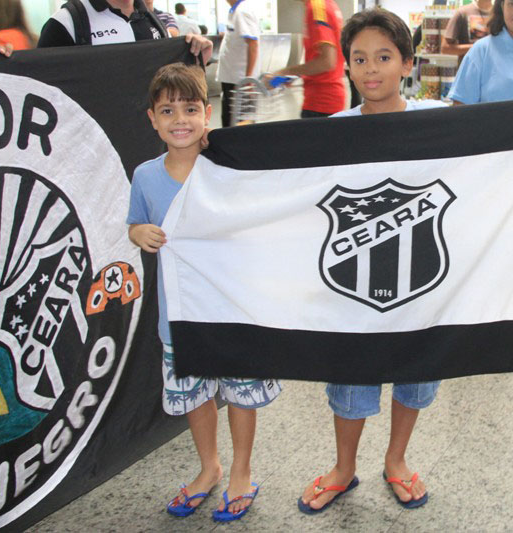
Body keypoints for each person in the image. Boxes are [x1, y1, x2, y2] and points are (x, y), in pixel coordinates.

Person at [298, 8, 445, 514]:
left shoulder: (438, 123)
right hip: (352, 286)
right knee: (350, 374)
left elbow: (502, 141)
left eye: (384, 57)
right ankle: (343, 467)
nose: (371, 69)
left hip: (420, 281)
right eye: (359, 58)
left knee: (416, 368)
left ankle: (397, 460)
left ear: (407, 62)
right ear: (346, 67)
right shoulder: (333, 131)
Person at [128, 63, 282, 520]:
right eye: (168, 110)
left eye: (190, 108)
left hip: (232, 309)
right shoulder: (145, 176)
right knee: (195, 396)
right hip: (179, 315)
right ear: (152, 119)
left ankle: (241, 470)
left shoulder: (227, 169)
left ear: (208, 114)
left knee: (239, 392)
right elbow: (134, 221)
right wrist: (139, 234)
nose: (180, 119)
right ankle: (209, 466)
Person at [37, 0, 212, 61]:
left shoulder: (152, 20)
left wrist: (194, 55)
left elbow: (167, 80)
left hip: (148, 135)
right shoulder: (67, 21)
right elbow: (40, 82)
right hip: (92, 139)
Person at [269, 0, 345, 117]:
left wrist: (286, 72)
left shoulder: (317, 8)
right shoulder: (326, 4)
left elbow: (327, 62)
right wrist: (295, 75)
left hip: (321, 103)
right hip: (324, 101)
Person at [216, 0, 260, 127]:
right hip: (233, 79)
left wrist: (248, 79)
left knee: (240, 125)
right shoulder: (236, 10)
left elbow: (253, 44)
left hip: (239, 82)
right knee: (231, 122)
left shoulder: (242, 11)